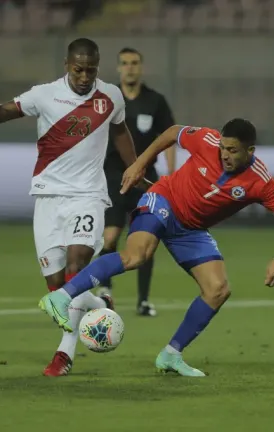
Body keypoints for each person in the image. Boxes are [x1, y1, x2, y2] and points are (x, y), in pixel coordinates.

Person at [38, 119, 274, 377]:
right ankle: (61, 296)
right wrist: (138, 165)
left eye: (233, 150)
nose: (225, 155)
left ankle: (170, 354)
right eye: (223, 148)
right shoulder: (206, 139)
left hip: (190, 229)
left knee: (218, 290)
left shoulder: (259, 181)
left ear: (250, 151)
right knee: (137, 255)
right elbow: (172, 132)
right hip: (164, 199)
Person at [0, 38, 139, 377]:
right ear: (66, 65)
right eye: (78, 70)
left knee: (77, 266)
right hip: (48, 198)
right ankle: (97, 303)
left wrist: (134, 168)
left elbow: (121, 132)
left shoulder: (110, 97)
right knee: (57, 287)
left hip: (88, 196)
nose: (84, 77)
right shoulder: (44, 95)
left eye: (91, 70)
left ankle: (64, 355)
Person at [98, 47, 176, 317]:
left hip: (146, 178)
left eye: (134, 63)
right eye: (125, 63)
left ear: (141, 67)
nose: (130, 67)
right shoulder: (108, 100)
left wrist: (170, 172)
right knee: (110, 236)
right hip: (113, 176)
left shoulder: (155, 101)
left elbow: (169, 137)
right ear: (119, 68)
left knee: (146, 240)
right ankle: (104, 292)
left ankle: (143, 300)